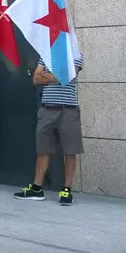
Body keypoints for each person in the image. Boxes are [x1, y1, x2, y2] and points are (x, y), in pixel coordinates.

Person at [14, 55, 84, 206]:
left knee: (70, 151)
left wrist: (46, 75)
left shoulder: (75, 54)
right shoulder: (45, 54)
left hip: (68, 110)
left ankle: (66, 190)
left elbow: (65, 77)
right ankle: (37, 188)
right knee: (43, 149)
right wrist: (56, 75)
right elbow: (35, 79)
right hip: (47, 109)